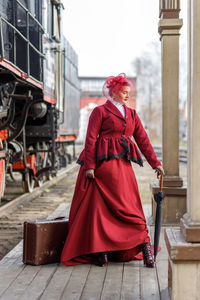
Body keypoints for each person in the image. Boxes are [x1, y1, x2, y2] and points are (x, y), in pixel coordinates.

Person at [61, 73, 165, 268]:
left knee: (132, 208)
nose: (127, 95)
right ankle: (102, 252)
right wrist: (90, 166)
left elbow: (143, 140)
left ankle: (145, 249)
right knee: (100, 212)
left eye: (128, 93)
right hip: (102, 169)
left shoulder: (132, 114)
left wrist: (155, 163)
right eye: (124, 92)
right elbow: (90, 140)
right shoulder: (99, 112)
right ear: (114, 92)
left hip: (123, 169)